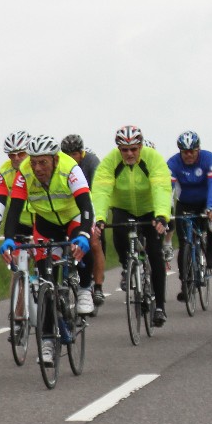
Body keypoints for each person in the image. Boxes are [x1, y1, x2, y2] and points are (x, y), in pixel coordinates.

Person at [0, 134, 95, 366]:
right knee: (45, 282)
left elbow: (86, 205)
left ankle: (84, 288)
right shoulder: (24, 172)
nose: (38, 168)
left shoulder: (70, 169)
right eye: (34, 162)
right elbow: (14, 209)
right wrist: (8, 238)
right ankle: (48, 341)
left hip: (73, 217)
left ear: (55, 159)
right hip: (45, 223)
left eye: (43, 162)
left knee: (84, 245)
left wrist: (84, 234)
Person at [91, 125, 173, 328]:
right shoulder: (110, 161)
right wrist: (99, 218)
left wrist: (162, 216)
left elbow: (161, 188)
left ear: (140, 147)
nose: (129, 154)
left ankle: (160, 306)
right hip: (123, 207)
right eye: (125, 150)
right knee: (118, 232)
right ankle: (126, 264)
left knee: (155, 254)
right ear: (119, 149)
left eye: (134, 149)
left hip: (150, 208)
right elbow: (101, 190)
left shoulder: (153, 159)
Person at [165, 130, 212, 301]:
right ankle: (185, 283)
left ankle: (211, 250)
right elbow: (168, 190)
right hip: (184, 203)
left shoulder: (209, 159)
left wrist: (211, 207)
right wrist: (166, 212)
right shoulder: (173, 163)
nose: (189, 155)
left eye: (192, 151)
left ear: (198, 149)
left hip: (206, 200)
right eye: (185, 152)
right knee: (184, 243)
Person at [62, 134, 107, 303]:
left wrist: (97, 219)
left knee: (94, 242)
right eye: (67, 154)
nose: (70, 158)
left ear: (81, 153)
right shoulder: (60, 165)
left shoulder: (92, 162)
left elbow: (98, 190)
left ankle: (98, 286)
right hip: (69, 208)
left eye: (74, 154)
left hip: (91, 203)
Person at [0, 130, 32, 247]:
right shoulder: (4, 171)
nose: (16, 158)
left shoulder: (37, 169)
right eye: (11, 155)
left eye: (21, 154)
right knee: (12, 255)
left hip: (41, 221)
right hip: (19, 221)